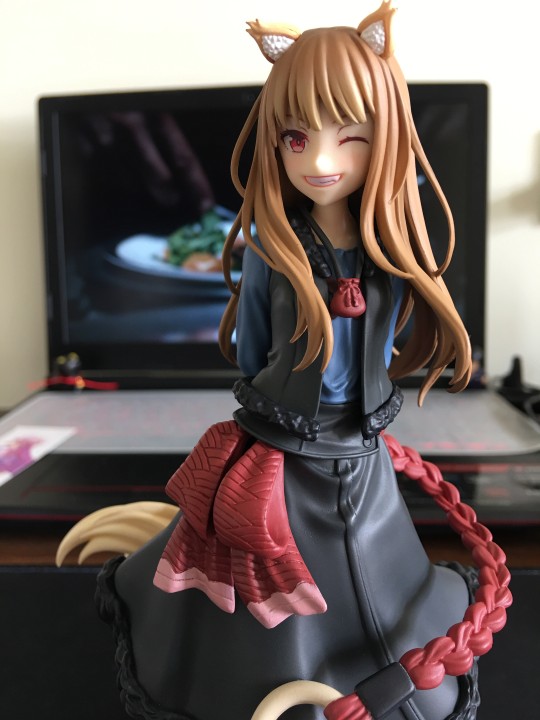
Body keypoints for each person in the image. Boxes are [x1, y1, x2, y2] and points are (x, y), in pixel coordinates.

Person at [59, 3, 510, 719]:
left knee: (378, 574)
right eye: (298, 139)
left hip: (356, 441)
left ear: (385, 138)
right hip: (283, 442)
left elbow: (364, 343)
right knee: (261, 589)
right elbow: (254, 348)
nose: (320, 162)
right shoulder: (276, 246)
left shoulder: (389, 248)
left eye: (349, 138)